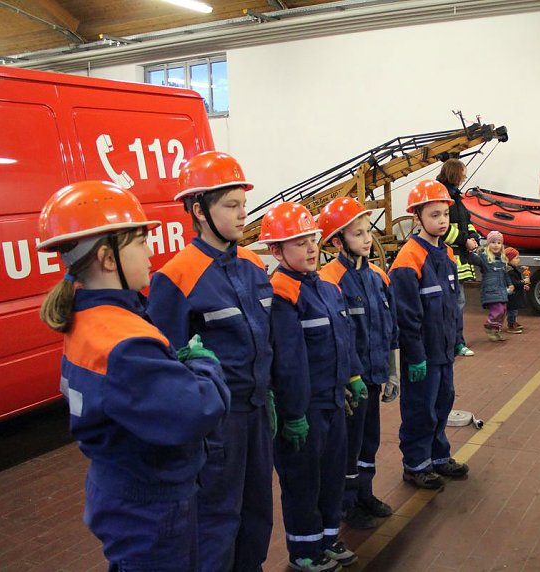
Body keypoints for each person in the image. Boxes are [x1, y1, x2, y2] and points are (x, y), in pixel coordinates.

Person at [37, 180, 230, 570]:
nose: (150, 252)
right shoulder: (123, 341)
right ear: (109, 258)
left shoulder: (89, 319)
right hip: (152, 504)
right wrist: (203, 362)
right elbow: (198, 410)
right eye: (140, 242)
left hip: (122, 490)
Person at [147, 151, 274, 571]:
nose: (243, 215)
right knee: (218, 519)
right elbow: (167, 367)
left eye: (244, 204)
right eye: (231, 206)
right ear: (199, 210)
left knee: (257, 511)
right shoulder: (176, 276)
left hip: (255, 415)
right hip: (218, 426)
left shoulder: (254, 266)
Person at [260, 201, 363, 572]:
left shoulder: (327, 289)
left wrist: (352, 376)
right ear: (275, 250)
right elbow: (286, 363)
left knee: (332, 475)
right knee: (302, 481)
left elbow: (343, 338)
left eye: (312, 239)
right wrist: (292, 415)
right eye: (298, 242)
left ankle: (328, 538)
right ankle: (303, 550)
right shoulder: (281, 296)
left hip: (333, 402)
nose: (310, 248)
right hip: (302, 413)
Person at [316, 197, 400, 530]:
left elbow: (389, 327)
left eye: (368, 232)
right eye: (357, 234)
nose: (367, 239)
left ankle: (364, 493)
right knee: (345, 447)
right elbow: (332, 339)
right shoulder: (329, 279)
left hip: (373, 376)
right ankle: (346, 503)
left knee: (369, 441)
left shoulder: (379, 276)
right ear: (337, 241)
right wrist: (346, 379)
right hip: (349, 384)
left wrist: (392, 372)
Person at [390, 180, 469, 490]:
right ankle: (415, 464)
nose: (442, 221)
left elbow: (453, 304)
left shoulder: (447, 255)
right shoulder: (408, 258)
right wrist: (415, 354)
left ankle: (438, 457)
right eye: (434, 215)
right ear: (417, 217)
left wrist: (458, 338)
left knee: (442, 404)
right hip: (422, 356)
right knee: (420, 410)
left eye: (445, 215)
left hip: (444, 351)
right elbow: (406, 315)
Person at [438, 158, 478, 357]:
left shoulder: (456, 197)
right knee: (455, 302)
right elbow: (443, 230)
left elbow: (466, 222)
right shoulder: (443, 198)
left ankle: (456, 342)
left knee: (458, 302)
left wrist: (472, 235)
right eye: (462, 173)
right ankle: (455, 343)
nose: (464, 176)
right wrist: (465, 241)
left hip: (458, 257)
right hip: (448, 257)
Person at [470, 230, 513, 341]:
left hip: (502, 290)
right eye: (493, 242)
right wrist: (470, 251)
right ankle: (489, 326)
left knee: (503, 310)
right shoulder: (485, 258)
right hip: (491, 290)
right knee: (498, 309)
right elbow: (475, 260)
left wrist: (510, 284)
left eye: (498, 243)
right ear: (488, 244)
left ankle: (495, 330)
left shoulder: (502, 260)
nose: (496, 245)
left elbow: (506, 274)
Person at [504, 246, 529, 333]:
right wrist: (523, 282)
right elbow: (514, 282)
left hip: (515, 294)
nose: (518, 260)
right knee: (512, 310)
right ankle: (511, 324)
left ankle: (513, 321)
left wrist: (522, 286)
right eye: (516, 258)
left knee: (514, 310)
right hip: (512, 295)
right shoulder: (510, 271)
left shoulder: (512, 269)